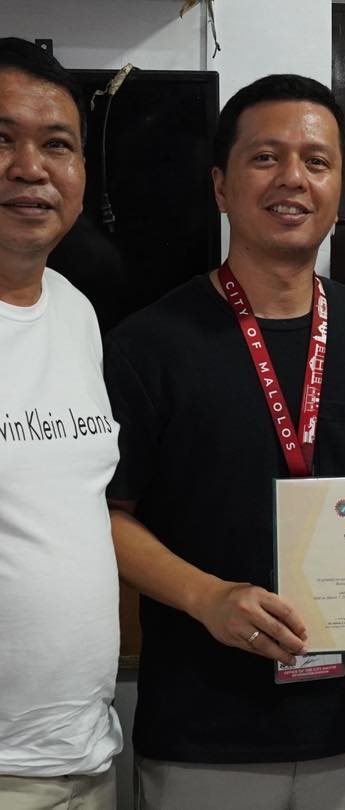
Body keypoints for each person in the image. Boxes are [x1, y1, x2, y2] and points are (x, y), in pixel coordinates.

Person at [104, 74, 345, 810]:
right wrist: (208, 596)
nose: (293, 178)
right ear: (220, 186)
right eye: (265, 158)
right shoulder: (147, 343)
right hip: (203, 733)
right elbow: (107, 514)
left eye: (317, 161)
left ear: (340, 188)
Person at [0, 38, 121, 808]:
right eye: (1, 139)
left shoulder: (76, 310)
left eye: (57, 145)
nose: (30, 168)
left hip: (84, 754)